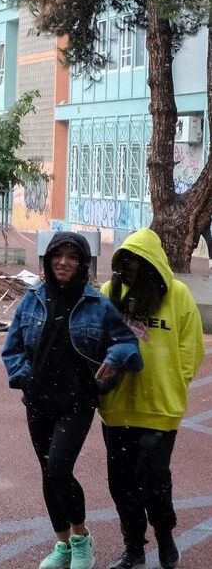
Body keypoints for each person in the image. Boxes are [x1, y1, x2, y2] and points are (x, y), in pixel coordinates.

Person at [3, 231, 142, 569]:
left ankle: (82, 540)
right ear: (48, 259)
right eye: (57, 255)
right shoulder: (33, 299)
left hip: (77, 402)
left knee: (59, 468)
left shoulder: (96, 304)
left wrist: (114, 359)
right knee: (47, 473)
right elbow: (13, 347)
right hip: (38, 401)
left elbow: (128, 343)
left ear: (82, 263)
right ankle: (62, 544)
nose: (63, 262)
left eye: (72, 257)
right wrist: (25, 378)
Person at [99, 228, 205, 569]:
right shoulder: (110, 292)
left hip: (160, 408)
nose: (130, 272)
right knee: (121, 483)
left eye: (137, 265)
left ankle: (164, 534)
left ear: (152, 265)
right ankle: (134, 547)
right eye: (126, 265)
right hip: (117, 408)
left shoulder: (178, 295)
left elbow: (191, 348)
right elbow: (96, 338)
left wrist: (174, 382)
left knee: (154, 479)